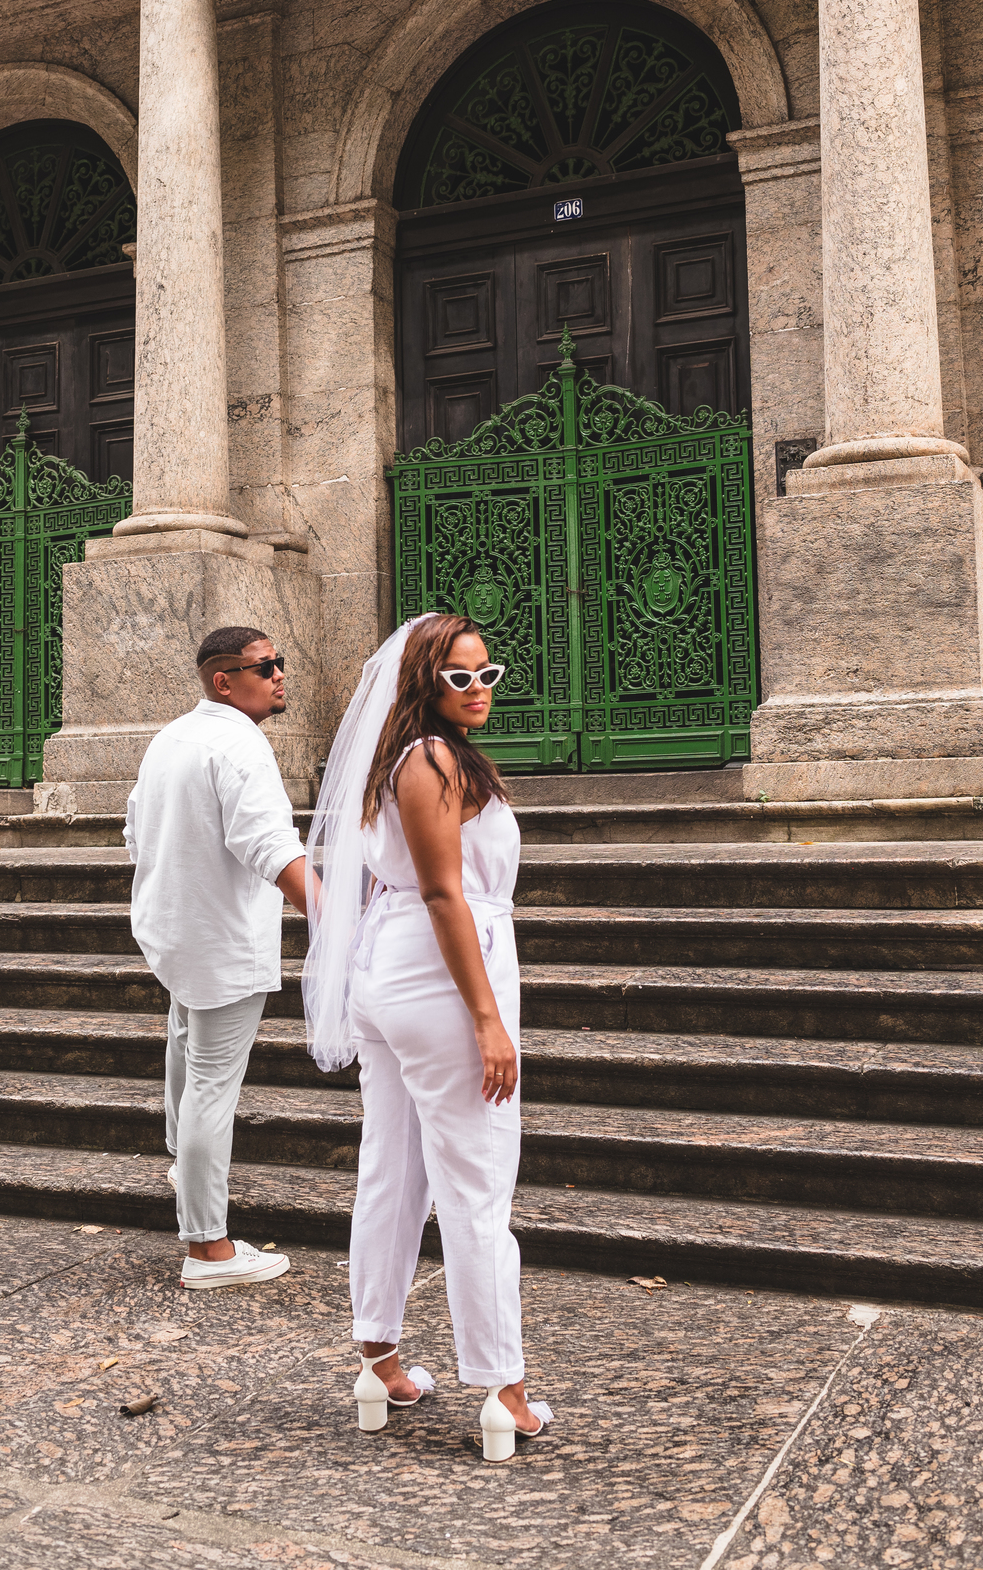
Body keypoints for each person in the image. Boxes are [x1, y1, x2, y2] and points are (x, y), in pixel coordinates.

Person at [302, 613, 552, 1461]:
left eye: (488, 674)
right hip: (443, 976)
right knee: (477, 1182)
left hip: (394, 970)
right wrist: (486, 1018)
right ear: (424, 681)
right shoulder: (433, 760)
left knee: (393, 1168)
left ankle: (380, 1361)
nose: (478, 690)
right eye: (459, 676)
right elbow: (446, 894)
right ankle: (504, 1392)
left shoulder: (399, 759)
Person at [125, 625, 310, 1291]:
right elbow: (271, 846)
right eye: (266, 666)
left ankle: (187, 1171)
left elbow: (135, 830)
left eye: (280, 662)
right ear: (224, 681)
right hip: (223, 941)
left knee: (186, 1061)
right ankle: (208, 1249)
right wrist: (338, 922)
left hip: (178, 934)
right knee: (209, 1087)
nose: (280, 674)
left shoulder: (172, 738)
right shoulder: (240, 744)